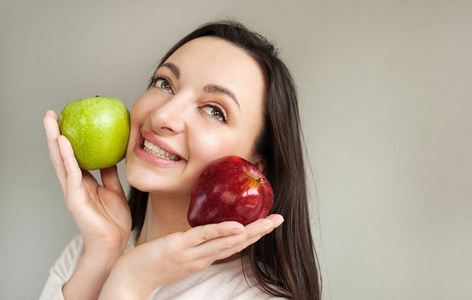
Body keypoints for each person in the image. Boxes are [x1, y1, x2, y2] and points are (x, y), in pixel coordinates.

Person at [40, 20, 321, 300]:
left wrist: (130, 283)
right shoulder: (87, 252)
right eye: (164, 83)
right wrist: (103, 253)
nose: (163, 116)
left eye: (214, 111)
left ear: (254, 168)